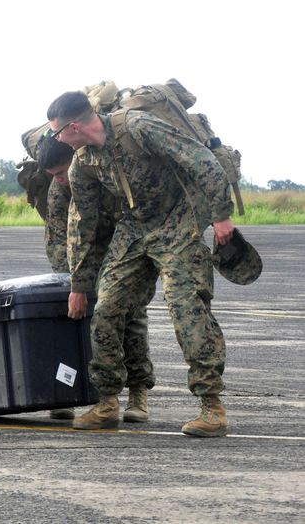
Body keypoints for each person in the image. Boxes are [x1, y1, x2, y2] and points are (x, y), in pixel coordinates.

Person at [45, 90, 234, 437]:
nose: (56, 140)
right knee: (106, 308)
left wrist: (221, 215)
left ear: (73, 127)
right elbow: (82, 223)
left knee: (187, 307)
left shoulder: (137, 126)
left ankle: (212, 407)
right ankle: (106, 402)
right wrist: (79, 284)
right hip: (134, 227)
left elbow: (200, 160)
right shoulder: (82, 163)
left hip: (179, 219)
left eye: (56, 133)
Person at [37, 135, 156, 422]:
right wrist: (72, 283)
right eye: (53, 175)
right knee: (73, 320)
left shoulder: (106, 176)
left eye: (61, 171)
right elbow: (58, 240)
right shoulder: (58, 191)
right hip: (83, 257)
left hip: (125, 250)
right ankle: (65, 392)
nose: (59, 179)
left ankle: (138, 392)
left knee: (131, 317)